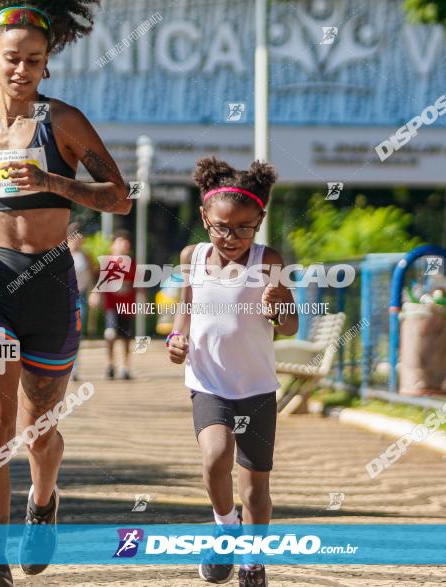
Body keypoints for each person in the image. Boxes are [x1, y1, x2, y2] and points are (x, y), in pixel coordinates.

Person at [0, 3, 129, 585]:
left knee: (39, 428)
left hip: (49, 284)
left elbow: (119, 196)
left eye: (34, 61)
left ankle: (43, 501)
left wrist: (52, 182)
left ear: (46, 67)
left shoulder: (63, 122)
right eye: (12, 58)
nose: (22, 70)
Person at [167, 156, 298, 587]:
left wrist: (280, 308)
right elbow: (186, 307)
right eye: (222, 226)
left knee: (256, 491)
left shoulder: (267, 260)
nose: (232, 236)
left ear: (260, 220)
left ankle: (253, 560)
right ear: (205, 218)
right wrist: (176, 338)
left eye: (244, 227)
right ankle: (225, 528)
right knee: (215, 457)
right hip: (209, 383)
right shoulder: (193, 257)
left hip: (257, 387)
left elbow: (290, 325)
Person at [101, 230, 136, 379]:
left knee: (126, 337)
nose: (124, 244)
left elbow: (138, 284)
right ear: (113, 245)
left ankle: (125, 367)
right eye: (121, 241)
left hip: (127, 306)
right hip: (111, 306)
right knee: (110, 334)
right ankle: (110, 364)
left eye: (126, 241)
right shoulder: (107, 263)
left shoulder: (132, 263)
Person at [68, 223, 90, 380]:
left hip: (80, 297)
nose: (78, 242)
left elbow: (91, 277)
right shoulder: (60, 255)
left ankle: (74, 368)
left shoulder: (85, 256)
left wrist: (94, 293)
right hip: (62, 298)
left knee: (76, 333)